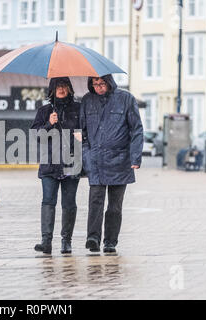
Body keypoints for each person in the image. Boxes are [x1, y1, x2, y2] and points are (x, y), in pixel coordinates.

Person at [79, 74, 143, 254]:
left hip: (120, 160)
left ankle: (110, 241)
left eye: (101, 83)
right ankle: (93, 238)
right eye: (95, 84)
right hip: (96, 159)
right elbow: (82, 131)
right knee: (95, 200)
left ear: (109, 83)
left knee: (115, 205)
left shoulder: (126, 99)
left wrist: (135, 157)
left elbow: (136, 129)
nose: (98, 87)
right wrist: (86, 154)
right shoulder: (87, 100)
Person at [30, 77, 81, 254]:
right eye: (58, 86)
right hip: (49, 165)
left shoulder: (78, 109)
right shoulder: (44, 111)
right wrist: (48, 124)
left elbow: (86, 132)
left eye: (64, 86)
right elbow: (37, 136)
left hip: (71, 163)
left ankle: (66, 241)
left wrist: (81, 137)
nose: (61, 89)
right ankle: (46, 242)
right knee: (48, 201)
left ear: (69, 88)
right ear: (52, 90)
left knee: (69, 203)